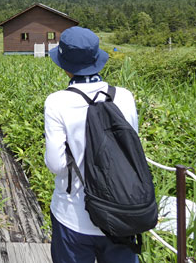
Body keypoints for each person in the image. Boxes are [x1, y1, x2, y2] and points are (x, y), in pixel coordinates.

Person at [45, 26, 139, 263]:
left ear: (64, 66)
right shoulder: (124, 96)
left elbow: (55, 165)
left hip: (73, 215)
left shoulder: (57, 102)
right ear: (97, 60)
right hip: (122, 214)